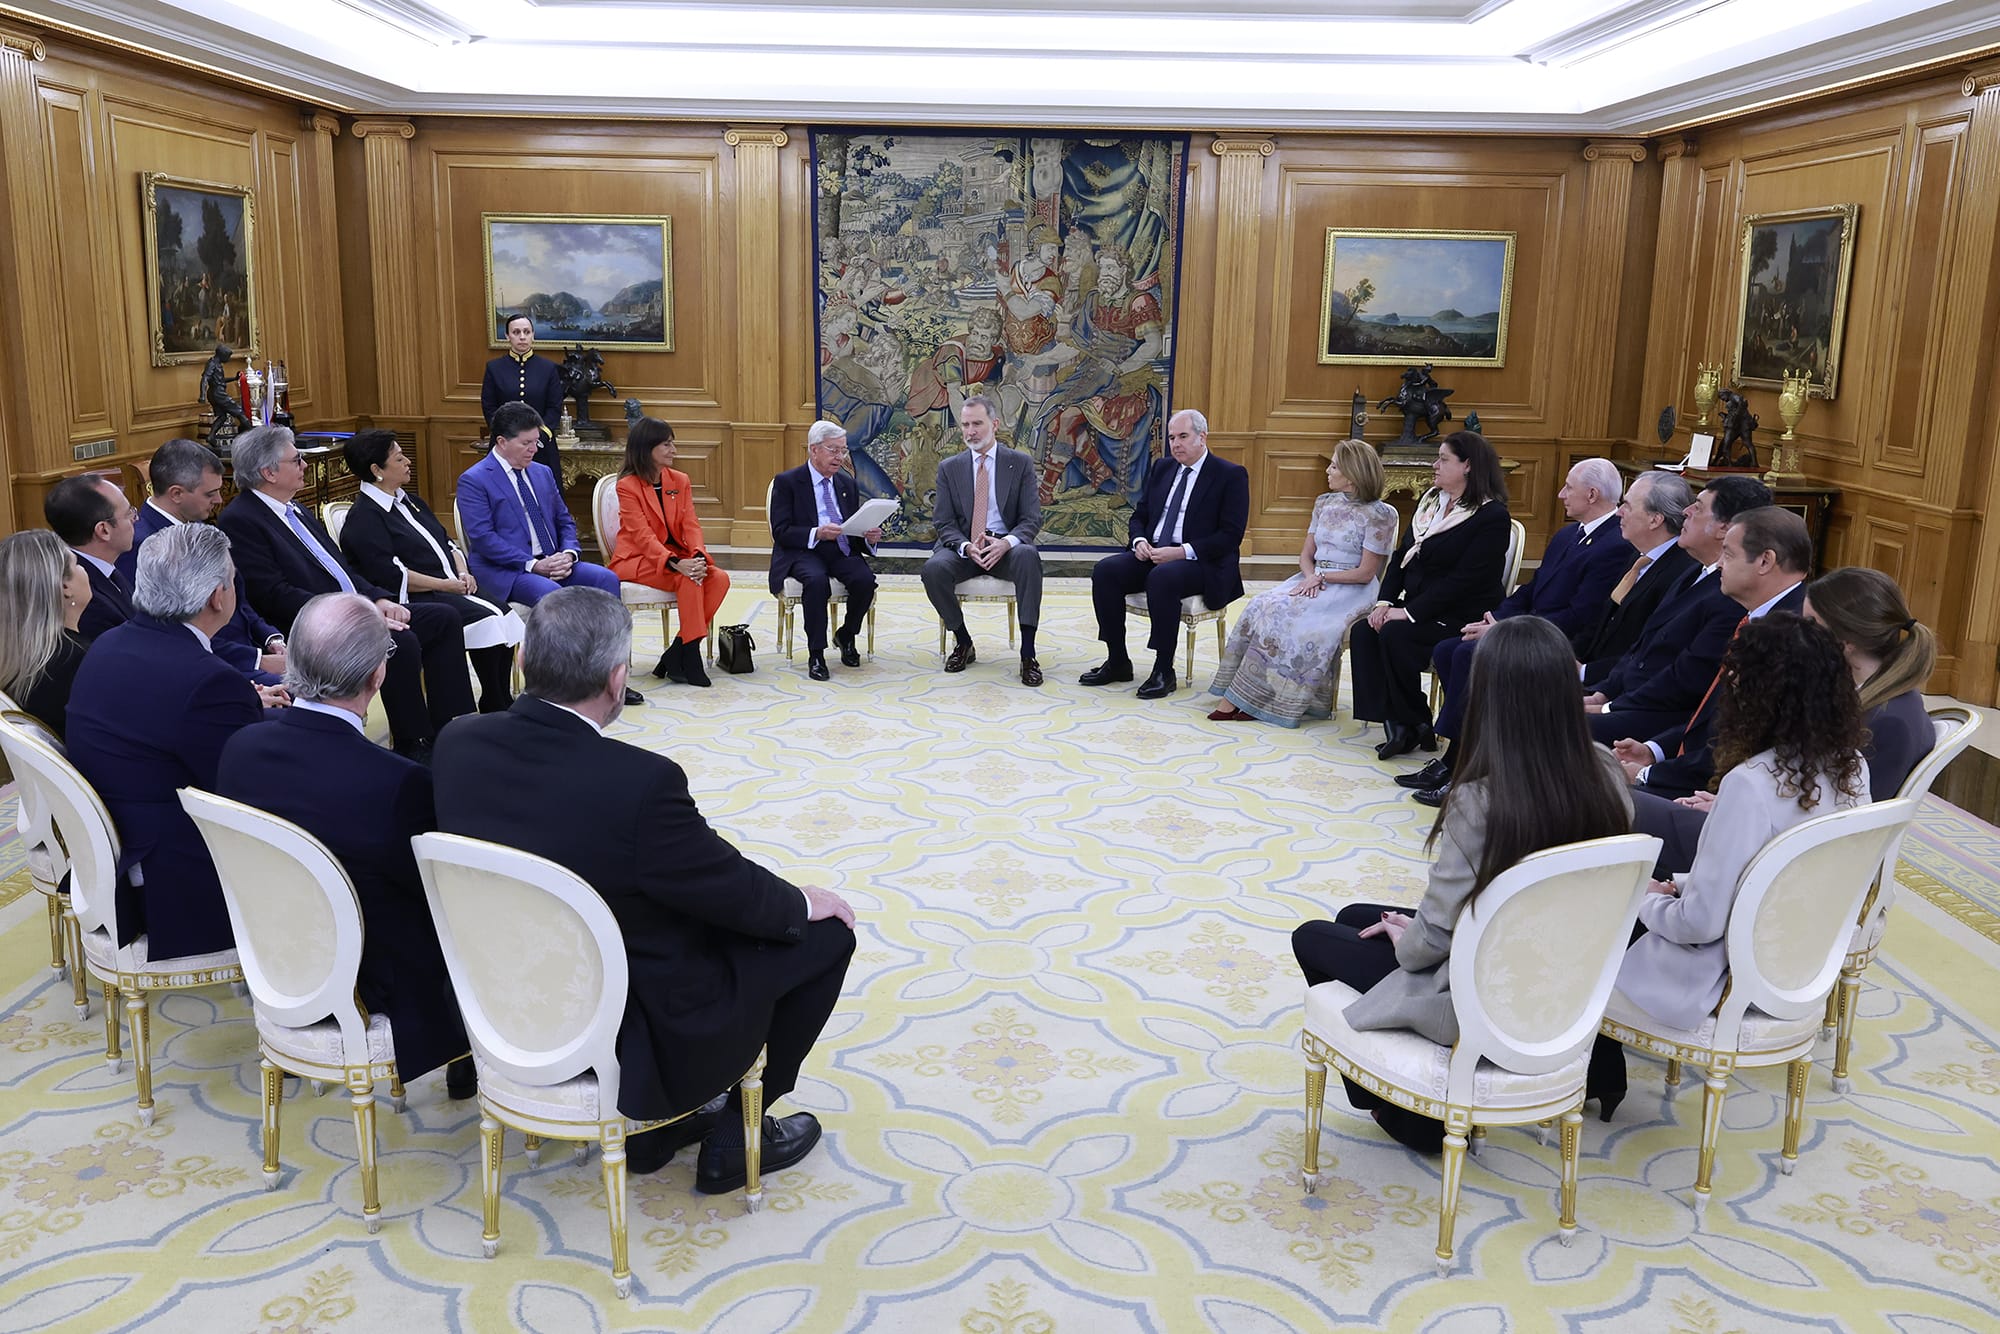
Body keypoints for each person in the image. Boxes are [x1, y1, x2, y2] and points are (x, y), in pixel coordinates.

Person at [433, 588, 857, 1186]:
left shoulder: (456, 744)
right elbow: (728, 890)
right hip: (627, 1018)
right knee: (825, 936)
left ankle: (660, 1132)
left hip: (502, 997)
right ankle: (738, 1132)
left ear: (523, 663)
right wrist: (807, 902)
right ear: (616, 679)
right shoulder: (640, 783)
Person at [1292, 616, 1632, 1154]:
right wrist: (1415, 928)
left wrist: (1413, 937)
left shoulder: (1481, 799)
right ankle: (1604, 1068)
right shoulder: (1608, 771)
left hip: (1483, 991)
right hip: (1567, 972)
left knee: (1314, 935)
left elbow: (1429, 942)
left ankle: (1411, 1113)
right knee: (1358, 916)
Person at [1590, 614, 1868, 1117]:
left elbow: (1700, 924)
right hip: (1799, 963)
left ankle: (1584, 1076)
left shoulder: (1750, 783)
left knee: (1588, 916)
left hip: (1722, 975)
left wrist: (1647, 901)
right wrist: (1677, 885)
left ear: (1755, 693)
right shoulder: (1852, 768)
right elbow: (1774, 882)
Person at [216, 593, 474, 1093]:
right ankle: (466, 1047)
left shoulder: (240, 747)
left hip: (276, 957)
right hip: (369, 977)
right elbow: (434, 900)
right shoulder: (397, 782)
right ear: (378, 677)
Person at [1633, 564, 1935, 878]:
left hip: (1772, 862)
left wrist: (1735, 814)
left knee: (1620, 805)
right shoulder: (1873, 698)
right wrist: (1733, 805)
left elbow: (1842, 832)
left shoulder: (1889, 722)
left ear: (1846, 641)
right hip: (1762, 834)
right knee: (1619, 798)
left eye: (1810, 623)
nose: (1800, 633)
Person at [217, 424, 477, 762]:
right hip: (315, 623)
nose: (305, 466)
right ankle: (414, 743)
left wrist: (379, 599)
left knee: (442, 618)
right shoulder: (242, 520)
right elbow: (273, 594)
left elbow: (344, 572)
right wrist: (356, 614)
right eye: (297, 461)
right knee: (401, 643)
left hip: (353, 607)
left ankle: (449, 727)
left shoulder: (296, 509)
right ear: (269, 472)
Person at [65, 524, 264, 956]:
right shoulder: (208, 681)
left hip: (119, 850)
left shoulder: (110, 643)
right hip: (177, 878)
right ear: (218, 595)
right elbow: (247, 793)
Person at [1400, 457, 1635, 804]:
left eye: (1568, 487)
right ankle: (1461, 753)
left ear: (1592, 494)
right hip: (1528, 626)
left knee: (1469, 654)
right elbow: (1531, 588)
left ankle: (1461, 763)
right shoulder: (1569, 533)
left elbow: (1581, 614)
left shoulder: (1615, 544)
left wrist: (1506, 631)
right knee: (1448, 649)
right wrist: (1495, 619)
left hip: (1559, 640)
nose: (1560, 495)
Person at [1610, 506, 1811, 801]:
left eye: (1728, 555)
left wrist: (1644, 775)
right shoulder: (1760, 618)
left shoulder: (1789, 637)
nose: (1718, 565)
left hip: (1722, 795)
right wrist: (1654, 751)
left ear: (1765, 561)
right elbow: (1712, 718)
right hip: (1696, 772)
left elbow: (1741, 746)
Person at [1206, 439, 1396, 725]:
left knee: (1291, 619)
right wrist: (1310, 577)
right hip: (1312, 579)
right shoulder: (1323, 503)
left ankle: (1265, 701)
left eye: (1334, 466)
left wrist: (1321, 578)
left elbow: (1366, 573)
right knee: (1261, 605)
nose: (1328, 471)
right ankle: (1252, 695)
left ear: (1353, 474)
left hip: (1350, 588)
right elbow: (1306, 555)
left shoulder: (1381, 514)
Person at [1347, 430, 1510, 759]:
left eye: (1443, 459)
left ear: (1468, 466)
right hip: (1422, 605)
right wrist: (1384, 602)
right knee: (1364, 631)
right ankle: (1404, 723)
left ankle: (1412, 723)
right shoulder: (1431, 503)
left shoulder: (1491, 516)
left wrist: (1407, 613)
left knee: (1396, 634)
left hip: (1461, 613)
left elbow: (1463, 582)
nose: (1434, 465)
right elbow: (1401, 557)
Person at [336, 429, 520, 714]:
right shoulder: (364, 518)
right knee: (489, 620)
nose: (408, 461)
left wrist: (462, 572)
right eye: (399, 458)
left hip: (452, 585)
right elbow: (394, 575)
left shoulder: (412, 502)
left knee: (504, 613)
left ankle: (498, 698)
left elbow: (447, 542)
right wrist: (447, 585)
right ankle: (494, 703)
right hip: (418, 597)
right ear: (376, 470)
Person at [1583, 474, 1772, 747]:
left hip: (1660, 718)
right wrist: (1603, 694)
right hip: (1627, 699)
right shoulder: (1691, 570)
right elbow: (1641, 648)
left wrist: (1610, 707)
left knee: (1546, 720)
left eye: (1698, 507)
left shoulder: (1730, 596)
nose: (1686, 512)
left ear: (1724, 528)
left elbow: (1685, 679)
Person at [1080, 409, 1249, 699]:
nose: (1176, 444)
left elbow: (1230, 536)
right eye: (1172, 437)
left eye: (1183, 436)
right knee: (1105, 571)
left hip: (1200, 563)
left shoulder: (1229, 475)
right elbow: (1140, 515)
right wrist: (1140, 541)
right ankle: (1118, 659)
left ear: (1202, 437)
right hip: (1154, 554)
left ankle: (1163, 669)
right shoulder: (1163, 468)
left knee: (1163, 578)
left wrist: (1181, 552)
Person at [120, 438, 289, 690]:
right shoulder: (146, 546)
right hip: (216, 669)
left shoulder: (196, 526)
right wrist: (259, 660)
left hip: (252, 651)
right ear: (176, 493)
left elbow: (238, 599)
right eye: (210, 494)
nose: (220, 499)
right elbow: (173, 635)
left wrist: (270, 637)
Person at [920, 395, 1046, 686]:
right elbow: (943, 522)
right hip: (965, 548)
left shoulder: (1019, 463)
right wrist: (965, 546)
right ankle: (963, 641)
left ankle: (1028, 654)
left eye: (977, 423)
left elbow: (1031, 518)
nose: (970, 431)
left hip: (1005, 548)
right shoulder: (949, 467)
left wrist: (1007, 543)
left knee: (1028, 556)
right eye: (965, 425)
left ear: (995, 424)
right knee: (933, 570)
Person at [457, 402, 624, 612]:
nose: (534, 449)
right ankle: (564, 647)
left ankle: (610, 646)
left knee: (606, 579)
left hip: (553, 561)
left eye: (536, 442)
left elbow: (564, 519)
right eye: (526, 443)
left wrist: (568, 553)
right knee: (554, 595)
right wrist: (533, 564)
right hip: (510, 571)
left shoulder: (542, 472)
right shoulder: (474, 480)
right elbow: (483, 538)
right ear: (501, 441)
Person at [610, 417, 729, 688]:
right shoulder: (627, 486)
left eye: (672, 443)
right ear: (646, 448)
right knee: (687, 579)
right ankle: (690, 655)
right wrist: (676, 563)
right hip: (637, 559)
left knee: (719, 578)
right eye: (666, 444)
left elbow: (690, 523)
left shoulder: (679, 480)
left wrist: (697, 556)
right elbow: (641, 536)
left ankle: (677, 651)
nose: (673, 449)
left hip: (679, 556)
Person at [768, 421, 881, 682]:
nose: (840, 457)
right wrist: (816, 533)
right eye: (833, 450)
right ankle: (816, 653)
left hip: (840, 549)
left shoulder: (846, 483)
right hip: (803, 551)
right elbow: (781, 531)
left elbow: (851, 526)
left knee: (865, 582)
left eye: (843, 451)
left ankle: (847, 635)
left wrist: (868, 536)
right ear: (814, 449)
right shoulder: (787, 482)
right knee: (817, 583)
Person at [1573, 471, 1696, 679]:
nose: (1619, 512)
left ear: (1655, 519)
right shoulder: (1637, 556)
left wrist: (1585, 673)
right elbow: (1602, 623)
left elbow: (1647, 652)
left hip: (1616, 686)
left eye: (1627, 506)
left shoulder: (1680, 574)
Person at [0, 529, 92, 738]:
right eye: (76, 564)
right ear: (64, 586)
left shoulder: (15, 659)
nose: (83, 570)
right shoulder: (78, 661)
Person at [45, 473, 136, 641]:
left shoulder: (105, 568)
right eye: (129, 513)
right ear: (104, 530)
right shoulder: (87, 600)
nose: (135, 519)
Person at [480, 314, 566, 482]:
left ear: (533, 335)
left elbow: (554, 408)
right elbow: (489, 407)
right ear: (507, 336)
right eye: (516, 332)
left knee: (544, 496)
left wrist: (534, 437)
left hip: (540, 447)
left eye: (526, 332)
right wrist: (508, 438)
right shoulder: (494, 368)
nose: (522, 337)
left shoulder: (548, 368)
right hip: (505, 446)